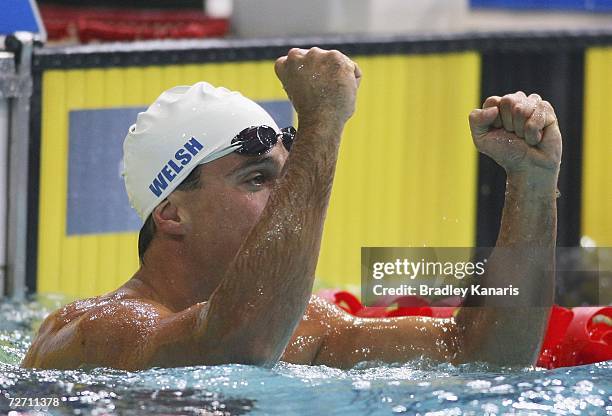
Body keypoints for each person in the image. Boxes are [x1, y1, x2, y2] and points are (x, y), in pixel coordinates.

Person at [22, 47, 561, 370]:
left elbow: (482, 358)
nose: (286, 198)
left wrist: (531, 184)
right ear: (171, 214)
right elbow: (233, 346)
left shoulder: (304, 326)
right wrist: (322, 125)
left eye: (287, 176)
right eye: (257, 179)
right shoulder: (98, 331)